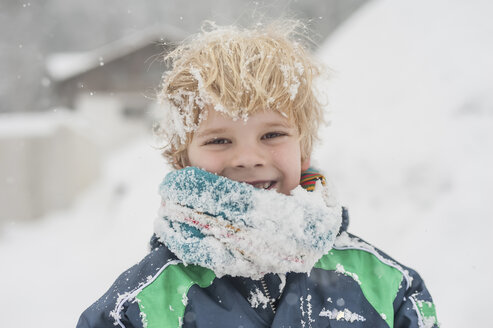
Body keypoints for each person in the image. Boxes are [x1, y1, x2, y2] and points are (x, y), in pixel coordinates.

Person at [77, 20, 438, 328]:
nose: (248, 157)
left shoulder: (387, 287)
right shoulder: (141, 306)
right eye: (219, 139)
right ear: (182, 158)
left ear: (304, 147)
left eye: (272, 135)